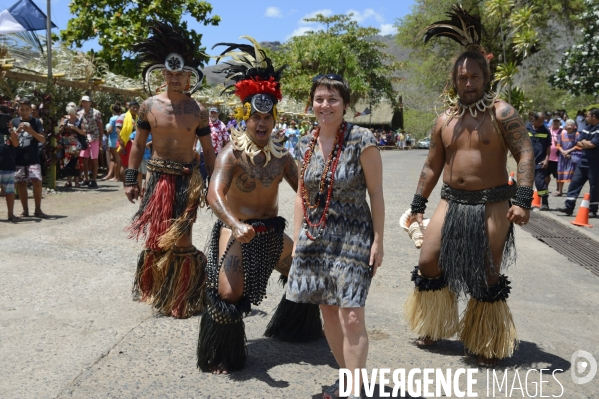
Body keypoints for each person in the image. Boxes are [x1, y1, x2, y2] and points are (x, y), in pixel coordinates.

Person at [403, 5, 534, 368]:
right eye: (462, 77)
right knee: (428, 261)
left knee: (486, 272)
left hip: (493, 202)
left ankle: (485, 341)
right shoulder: (444, 120)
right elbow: (431, 165)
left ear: (485, 77)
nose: (469, 83)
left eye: (474, 76)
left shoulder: (502, 113)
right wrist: (417, 202)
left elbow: (525, 152)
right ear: (454, 80)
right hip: (450, 199)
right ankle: (434, 323)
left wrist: (522, 199)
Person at [197, 37, 322, 375]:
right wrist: (235, 225)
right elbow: (214, 195)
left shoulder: (282, 157)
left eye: (268, 118)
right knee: (227, 293)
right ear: (246, 117)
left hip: (270, 234)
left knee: (303, 272)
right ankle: (223, 354)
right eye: (257, 118)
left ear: (275, 118)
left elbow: (305, 192)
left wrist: (322, 214)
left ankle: (295, 328)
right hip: (237, 232)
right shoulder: (231, 153)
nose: (263, 124)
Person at [284, 73, 384, 399]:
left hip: (354, 237)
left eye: (333, 99)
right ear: (311, 103)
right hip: (316, 238)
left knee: (352, 316)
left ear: (345, 104)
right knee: (327, 312)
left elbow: (376, 195)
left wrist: (378, 240)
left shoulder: (362, 140)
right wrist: (299, 240)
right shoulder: (304, 143)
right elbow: (302, 195)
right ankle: (348, 380)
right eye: (319, 99)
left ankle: (354, 391)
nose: (325, 105)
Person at [125, 21, 215, 318]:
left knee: (183, 238)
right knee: (158, 237)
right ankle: (160, 291)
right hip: (157, 181)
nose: (175, 78)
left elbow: (209, 150)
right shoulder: (149, 106)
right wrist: (130, 177)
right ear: (162, 74)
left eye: (181, 74)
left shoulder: (198, 111)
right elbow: (137, 145)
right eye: (170, 73)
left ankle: (182, 298)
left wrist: (215, 185)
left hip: (187, 180)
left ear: (190, 76)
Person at [556, 108, 599, 218]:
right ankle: (568, 207)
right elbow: (578, 142)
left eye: (588, 116)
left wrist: (584, 143)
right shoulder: (586, 128)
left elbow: (592, 145)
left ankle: (593, 210)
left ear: (594, 117)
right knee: (574, 183)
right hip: (583, 162)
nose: (586, 118)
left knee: (594, 186)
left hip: (595, 163)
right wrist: (586, 143)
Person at [12, 98, 47, 218]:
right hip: (19, 158)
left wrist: (31, 131)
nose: (24, 112)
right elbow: (11, 141)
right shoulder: (14, 122)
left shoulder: (37, 122)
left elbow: (42, 139)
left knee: (37, 181)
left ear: (31, 110)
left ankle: (38, 209)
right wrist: (17, 131)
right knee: (21, 184)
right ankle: (25, 210)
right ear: (18, 110)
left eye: (27, 109)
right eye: (22, 109)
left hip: (33, 158)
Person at [77, 96, 103, 188]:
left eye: (87, 102)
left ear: (90, 103)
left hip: (94, 137)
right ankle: (86, 178)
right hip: (84, 138)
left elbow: (100, 126)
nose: (85, 104)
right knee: (84, 158)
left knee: (94, 159)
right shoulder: (79, 113)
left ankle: (94, 179)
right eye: (83, 102)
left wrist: (101, 140)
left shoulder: (96, 113)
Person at [59, 102, 86, 188]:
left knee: (76, 162)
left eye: (72, 111)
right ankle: (69, 181)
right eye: (69, 112)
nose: (70, 114)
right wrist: (63, 126)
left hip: (76, 144)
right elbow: (59, 131)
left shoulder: (80, 119)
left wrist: (74, 128)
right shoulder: (64, 118)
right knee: (67, 162)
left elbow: (84, 132)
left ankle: (77, 181)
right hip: (66, 144)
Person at [528, 112, 552, 210]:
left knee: (540, 183)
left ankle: (545, 203)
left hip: (540, 162)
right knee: (527, 183)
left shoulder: (545, 130)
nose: (542, 123)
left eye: (543, 121)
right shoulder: (526, 128)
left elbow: (548, 146)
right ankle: (526, 203)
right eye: (540, 121)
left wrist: (546, 160)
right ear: (534, 119)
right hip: (528, 161)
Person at [1, 104, 19, 222]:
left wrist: (11, 129)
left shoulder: (10, 130)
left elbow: (16, 144)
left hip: (8, 164)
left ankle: (10, 214)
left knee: (10, 191)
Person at [555, 119, 582, 195]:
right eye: (568, 125)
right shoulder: (561, 134)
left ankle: (571, 192)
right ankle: (560, 191)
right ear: (565, 126)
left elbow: (578, 145)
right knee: (561, 174)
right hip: (562, 156)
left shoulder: (577, 134)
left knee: (572, 175)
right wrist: (563, 152)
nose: (569, 126)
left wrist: (568, 151)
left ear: (574, 126)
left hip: (572, 156)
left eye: (571, 125)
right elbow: (558, 145)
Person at [101, 102, 122, 182]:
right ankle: (110, 175)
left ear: (113, 110)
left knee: (116, 158)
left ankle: (116, 177)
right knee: (114, 158)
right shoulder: (122, 117)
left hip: (112, 140)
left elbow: (109, 130)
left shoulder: (112, 119)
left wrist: (105, 131)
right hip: (119, 139)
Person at [547, 117, 562, 195]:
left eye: (557, 121)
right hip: (547, 157)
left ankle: (558, 189)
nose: (556, 123)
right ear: (552, 122)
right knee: (546, 174)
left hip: (557, 158)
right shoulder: (548, 130)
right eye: (554, 121)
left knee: (557, 175)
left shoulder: (562, 131)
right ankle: (545, 188)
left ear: (560, 123)